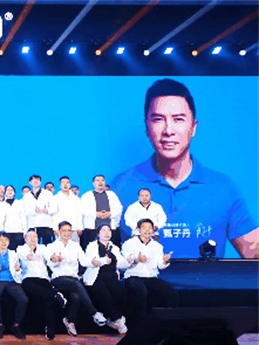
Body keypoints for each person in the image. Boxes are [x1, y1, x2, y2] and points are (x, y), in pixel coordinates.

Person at [111, 78, 258, 258]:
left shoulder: (223, 187)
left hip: (206, 278)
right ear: (147, 128)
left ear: (193, 127)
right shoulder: (120, 186)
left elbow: (253, 250)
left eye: (178, 119)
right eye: (158, 119)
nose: (168, 130)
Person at [46, 221, 108, 336]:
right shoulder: (51, 246)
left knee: (76, 296)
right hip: (58, 278)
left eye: (69, 230)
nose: (66, 233)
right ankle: (94, 313)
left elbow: (84, 261)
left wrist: (94, 262)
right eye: (64, 230)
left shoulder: (75, 245)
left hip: (73, 278)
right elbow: (50, 263)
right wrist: (55, 260)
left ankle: (69, 321)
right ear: (58, 232)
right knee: (77, 285)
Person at [121, 218, 179, 326]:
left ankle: (168, 323)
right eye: (144, 228)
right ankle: (141, 324)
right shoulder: (129, 244)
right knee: (141, 291)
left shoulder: (157, 246)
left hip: (151, 276)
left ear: (153, 230)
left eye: (150, 228)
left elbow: (160, 266)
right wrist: (136, 260)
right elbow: (124, 264)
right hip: (134, 276)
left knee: (172, 293)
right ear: (138, 229)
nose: (147, 230)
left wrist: (165, 261)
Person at [82, 225, 130, 334]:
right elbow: (90, 261)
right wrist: (102, 261)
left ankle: (112, 319)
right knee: (104, 294)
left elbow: (120, 264)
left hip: (112, 276)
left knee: (121, 293)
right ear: (98, 233)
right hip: (97, 276)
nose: (106, 233)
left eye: (108, 230)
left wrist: (128, 261)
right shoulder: (92, 246)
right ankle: (118, 319)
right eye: (103, 230)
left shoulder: (114, 248)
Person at [17, 230, 60, 340]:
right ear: (25, 238)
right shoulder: (21, 248)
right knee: (47, 294)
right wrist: (29, 255)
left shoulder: (43, 248)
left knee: (48, 299)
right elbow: (24, 256)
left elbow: (49, 256)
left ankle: (50, 327)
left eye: (35, 237)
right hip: (28, 278)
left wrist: (53, 258)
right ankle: (55, 295)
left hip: (43, 278)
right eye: (30, 237)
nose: (33, 239)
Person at [0, 232, 27, 339]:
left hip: (12, 280)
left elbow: (18, 273)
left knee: (23, 299)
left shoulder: (13, 254)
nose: (3, 242)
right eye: (1, 240)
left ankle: (16, 325)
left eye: (6, 240)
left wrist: (17, 269)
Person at [80, 175, 123, 250]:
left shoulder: (111, 194)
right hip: (92, 229)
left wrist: (110, 214)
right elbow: (82, 209)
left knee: (112, 250)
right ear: (93, 183)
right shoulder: (86, 195)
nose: (100, 182)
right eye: (98, 180)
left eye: (102, 180)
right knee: (91, 250)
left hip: (110, 228)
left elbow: (119, 208)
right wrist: (96, 214)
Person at [23, 175, 55, 245]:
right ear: (30, 182)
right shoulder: (26, 196)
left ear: (40, 182)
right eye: (33, 180)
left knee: (48, 245)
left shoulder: (48, 193)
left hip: (46, 224)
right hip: (32, 225)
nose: (35, 181)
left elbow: (54, 208)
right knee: (33, 245)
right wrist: (34, 211)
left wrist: (47, 210)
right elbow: (25, 211)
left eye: (37, 180)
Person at [52, 176, 83, 242]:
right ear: (60, 185)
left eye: (67, 182)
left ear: (70, 185)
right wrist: (55, 228)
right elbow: (54, 214)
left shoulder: (76, 199)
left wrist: (80, 227)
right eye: (63, 182)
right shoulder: (55, 198)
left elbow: (79, 213)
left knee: (74, 246)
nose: (65, 184)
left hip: (74, 228)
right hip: (61, 229)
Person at [3, 185, 26, 250]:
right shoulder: (1, 205)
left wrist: (25, 231)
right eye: (8, 190)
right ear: (5, 193)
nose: (10, 191)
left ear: (14, 192)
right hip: (7, 232)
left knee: (19, 250)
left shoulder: (20, 203)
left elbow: (23, 218)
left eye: (11, 190)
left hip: (18, 231)